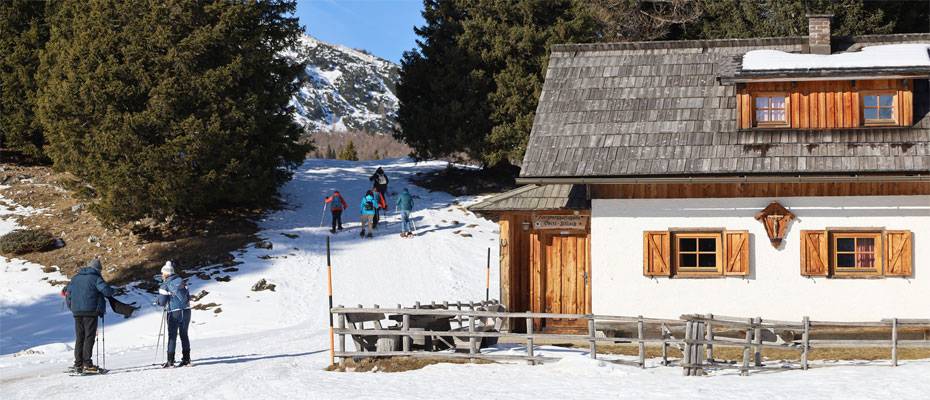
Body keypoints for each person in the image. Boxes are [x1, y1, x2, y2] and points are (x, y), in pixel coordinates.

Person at [62, 258, 115, 374]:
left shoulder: (75, 278)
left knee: (80, 337)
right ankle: (87, 363)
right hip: (90, 312)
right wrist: (112, 291)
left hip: (77, 312)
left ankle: (78, 364)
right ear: (97, 269)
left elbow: (67, 293)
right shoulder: (96, 278)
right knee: (89, 337)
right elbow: (107, 291)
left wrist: (72, 307)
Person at [157, 261, 192, 367]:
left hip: (174, 311)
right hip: (186, 310)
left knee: (172, 335)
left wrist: (158, 301)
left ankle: (170, 361)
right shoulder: (182, 282)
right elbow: (188, 296)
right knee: (184, 334)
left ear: (166, 274)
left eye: (162, 273)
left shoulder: (164, 285)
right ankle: (186, 360)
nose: (162, 275)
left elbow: (162, 302)